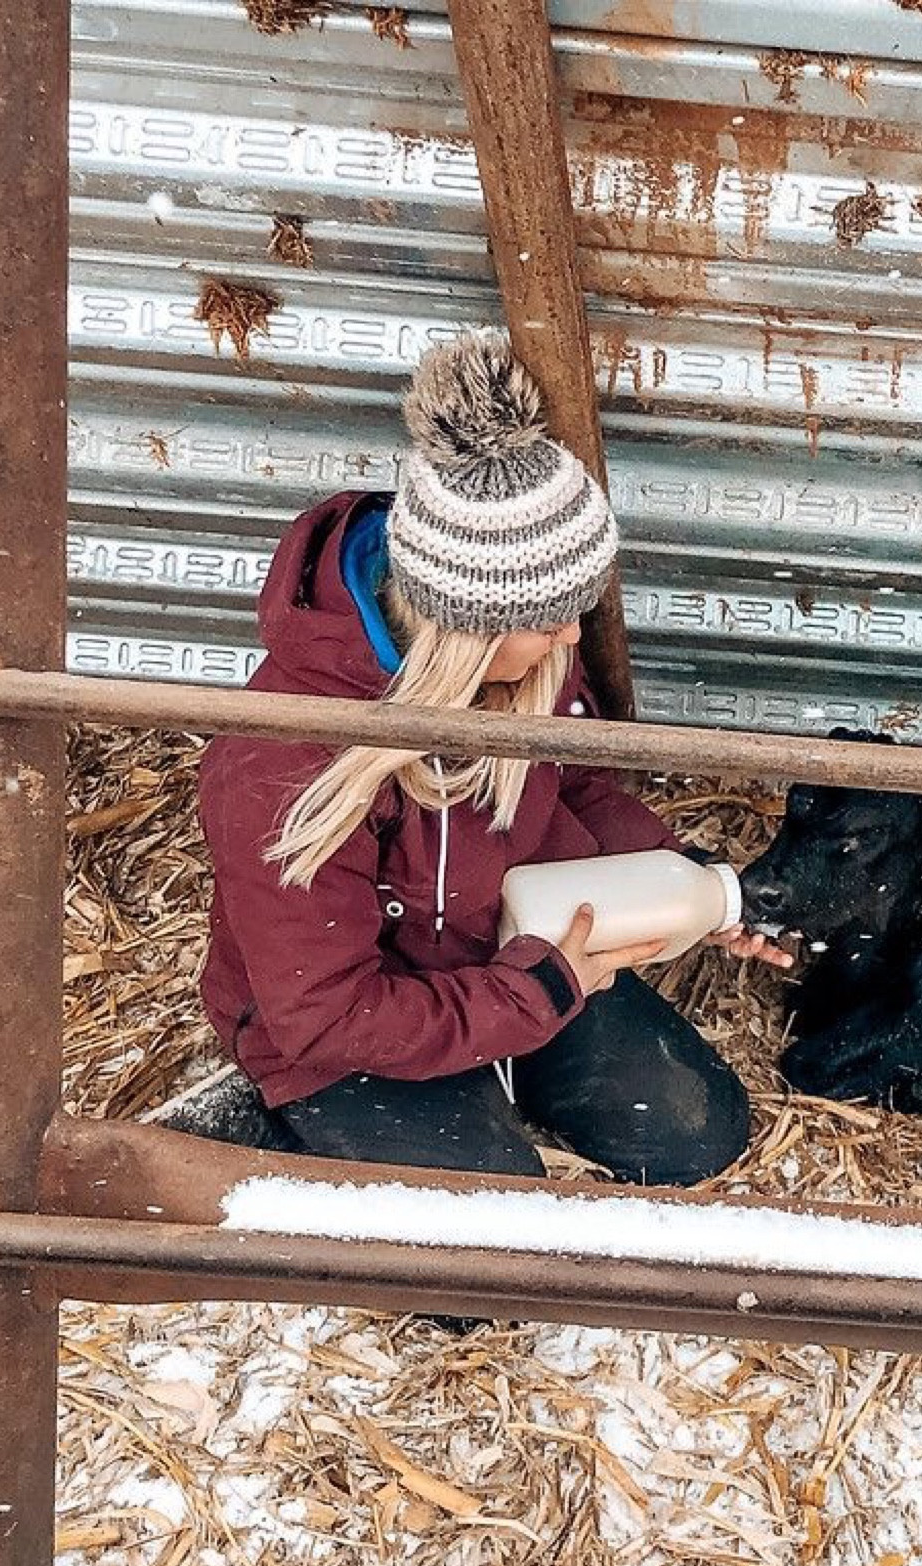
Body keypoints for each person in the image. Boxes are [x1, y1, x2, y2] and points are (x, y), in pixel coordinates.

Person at [197, 330, 788, 1183]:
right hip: (358, 1026)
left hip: (515, 946)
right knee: (491, 1252)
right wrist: (533, 994)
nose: (572, 636)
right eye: (549, 617)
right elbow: (326, 1014)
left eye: (577, 607)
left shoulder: (531, 660)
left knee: (700, 1136)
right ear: (461, 625)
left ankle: (485, 1086)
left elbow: (575, 786)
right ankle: (281, 1127)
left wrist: (681, 878)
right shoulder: (285, 766)